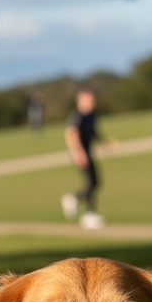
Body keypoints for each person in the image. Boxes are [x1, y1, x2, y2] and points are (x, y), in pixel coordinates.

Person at [62, 87, 106, 229]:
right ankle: (87, 212)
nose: (93, 102)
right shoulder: (77, 116)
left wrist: (104, 141)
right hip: (80, 154)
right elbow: (71, 134)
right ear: (80, 100)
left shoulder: (91, 115)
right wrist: (79, 153)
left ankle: (84, 208)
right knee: (91, 182)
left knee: (95, 182)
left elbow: (93, 133)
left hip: (88, 152)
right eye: (90, 100)